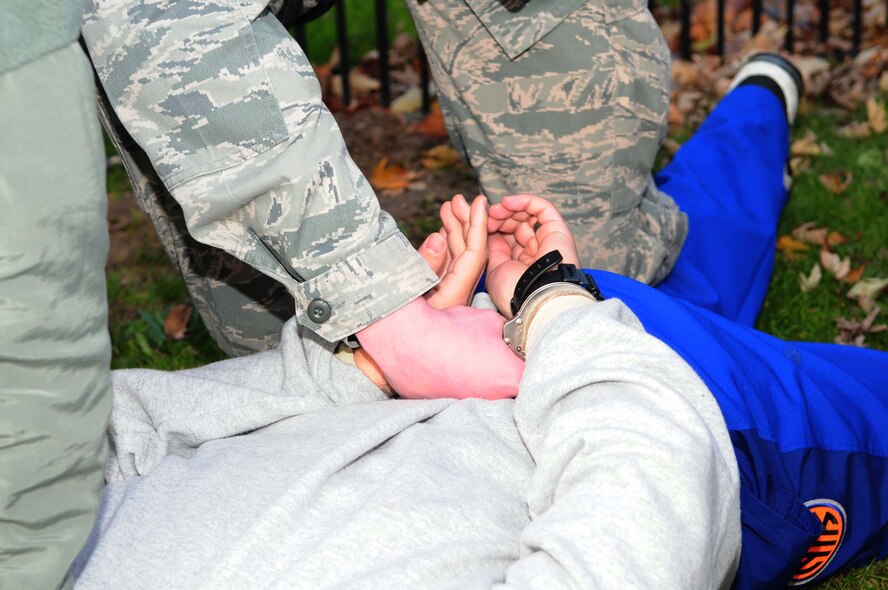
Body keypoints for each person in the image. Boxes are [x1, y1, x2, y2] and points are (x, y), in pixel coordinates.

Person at [70, 56, 888, 588]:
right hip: (658, 414)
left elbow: (131, 425)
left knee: (669, 264)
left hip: (492, 350)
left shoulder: (26, 508)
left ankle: (759, 101)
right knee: (786, 376)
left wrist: (376, 362)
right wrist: (552, 308)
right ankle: (760, 101)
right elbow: (648, 504)